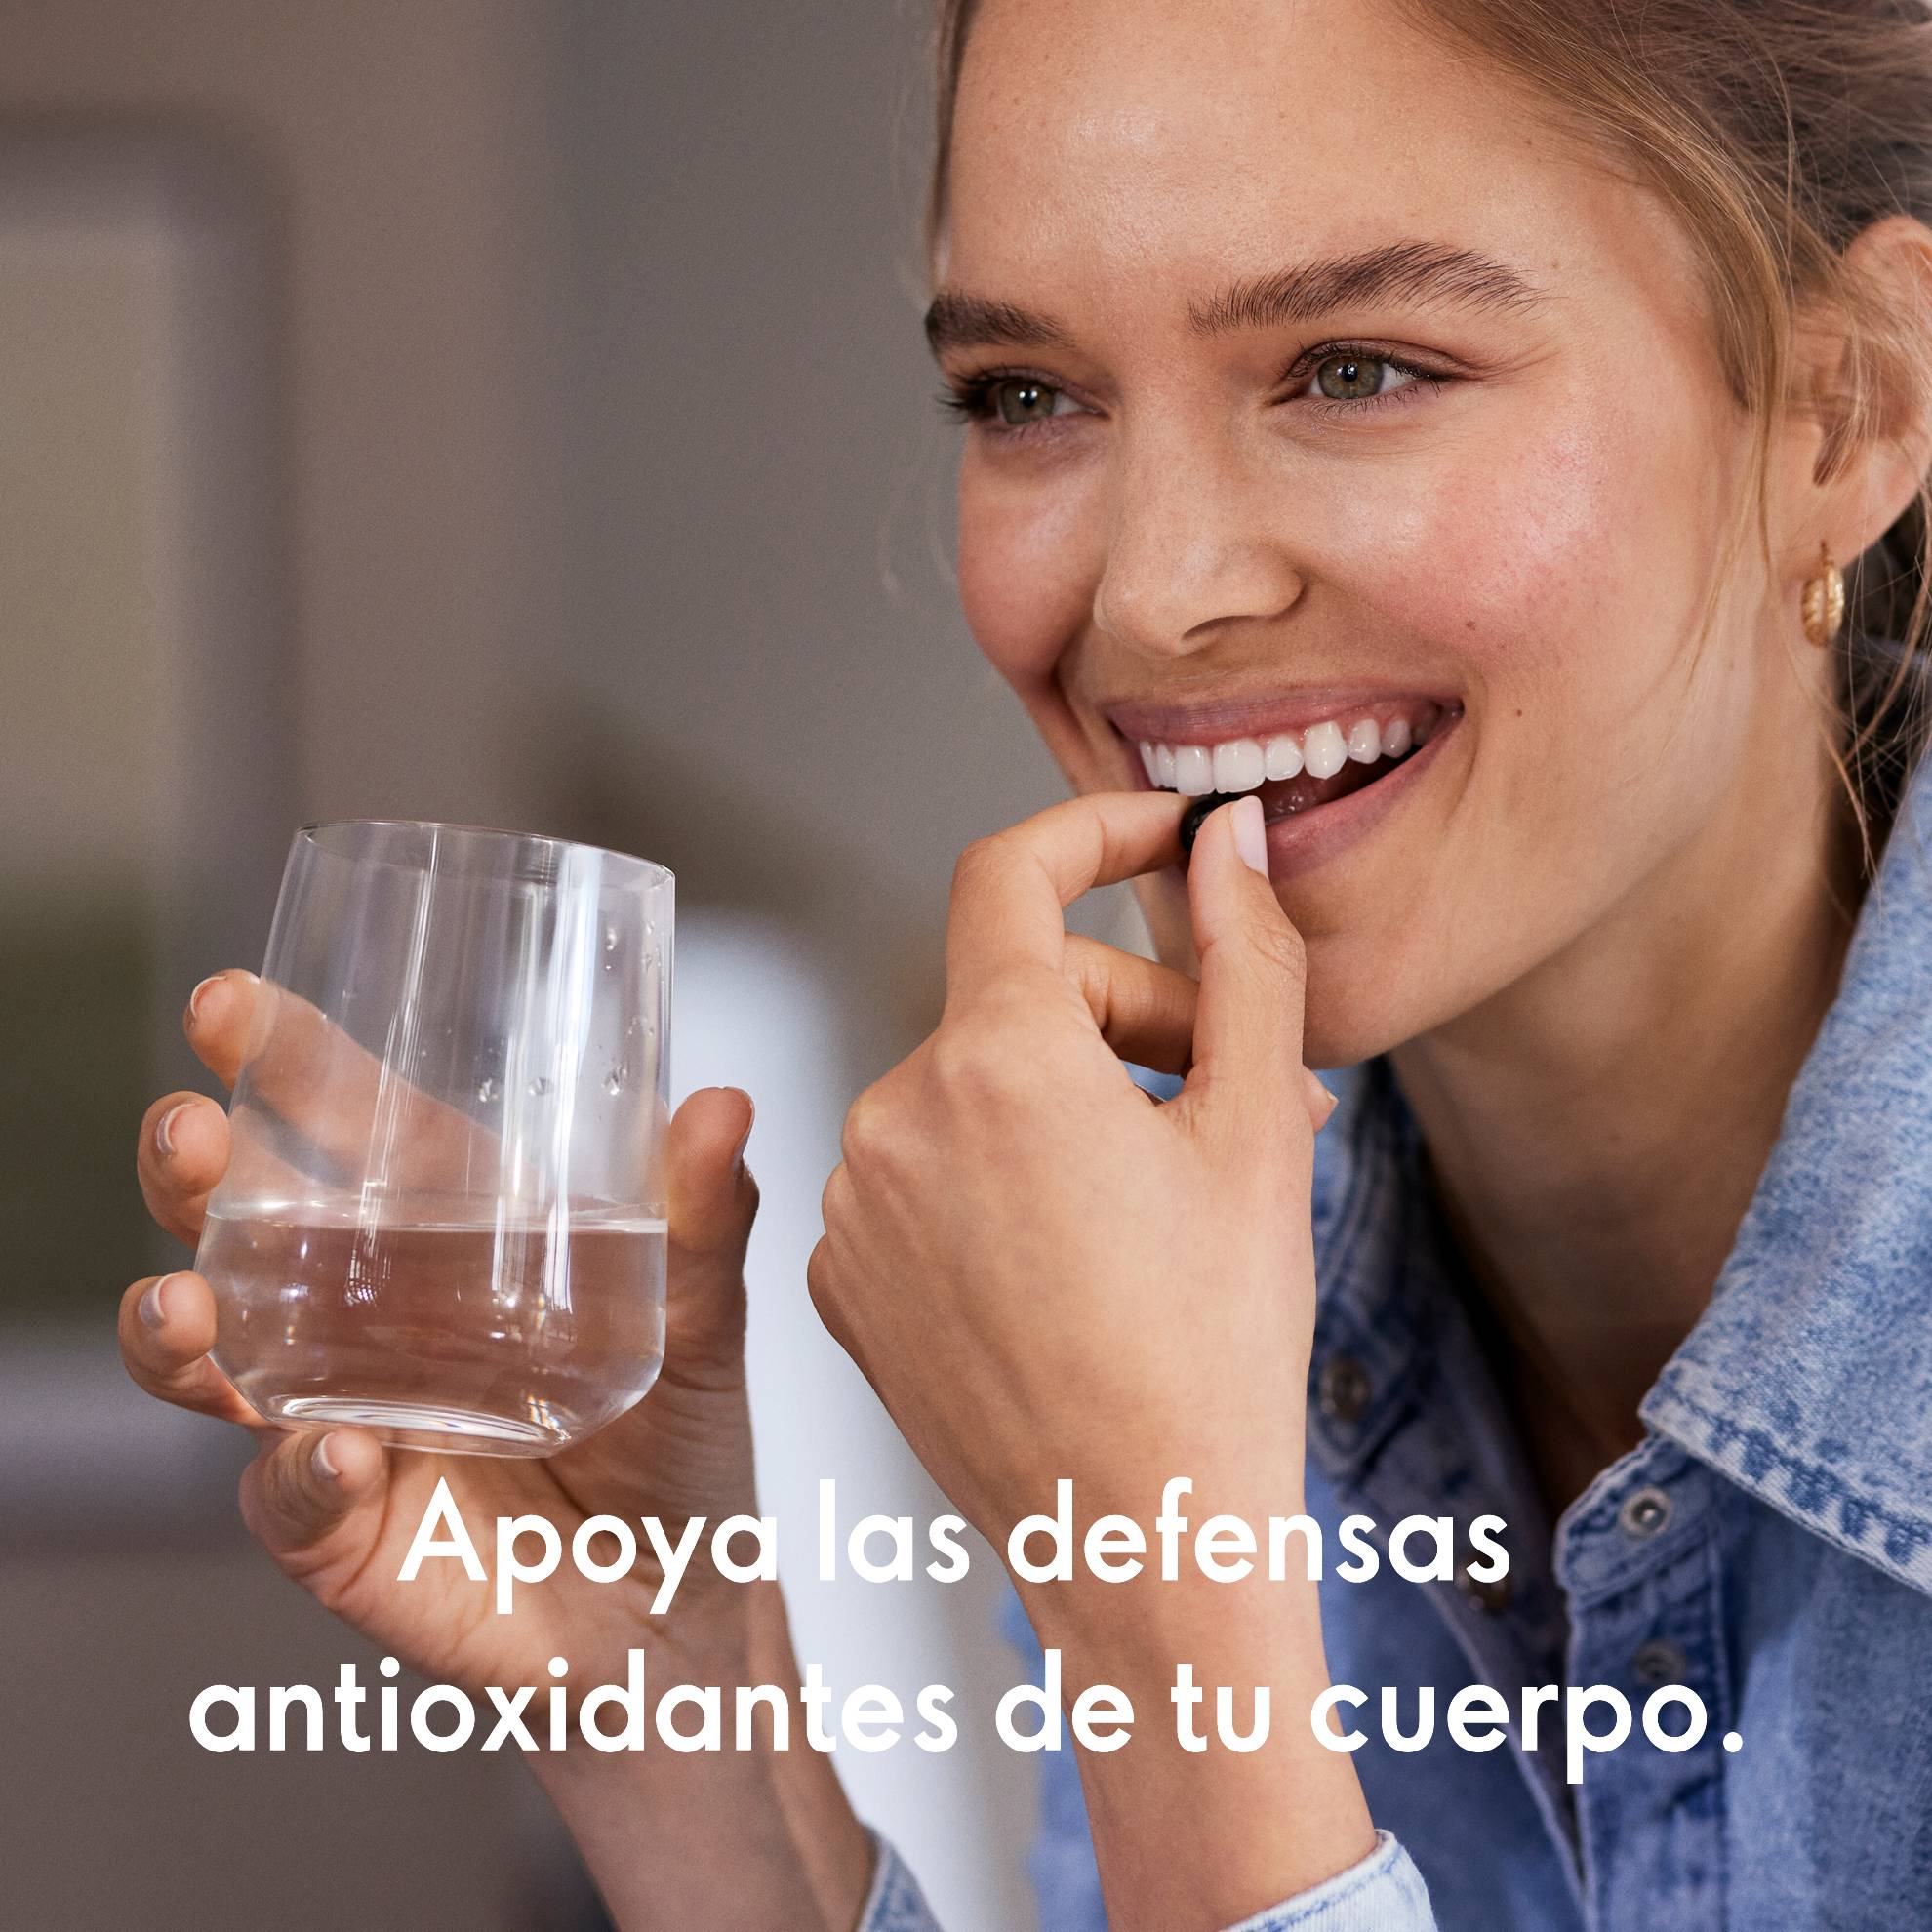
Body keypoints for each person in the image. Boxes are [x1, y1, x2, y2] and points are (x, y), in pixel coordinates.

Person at [121, 0, 1932, 1926]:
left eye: (1359, 366)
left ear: (1848, 410)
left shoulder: (1149, 1383)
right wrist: (680, 1722)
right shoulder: (1183, 1273)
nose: (1155, 594)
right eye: (1026, 397)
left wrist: (1166, 1617)